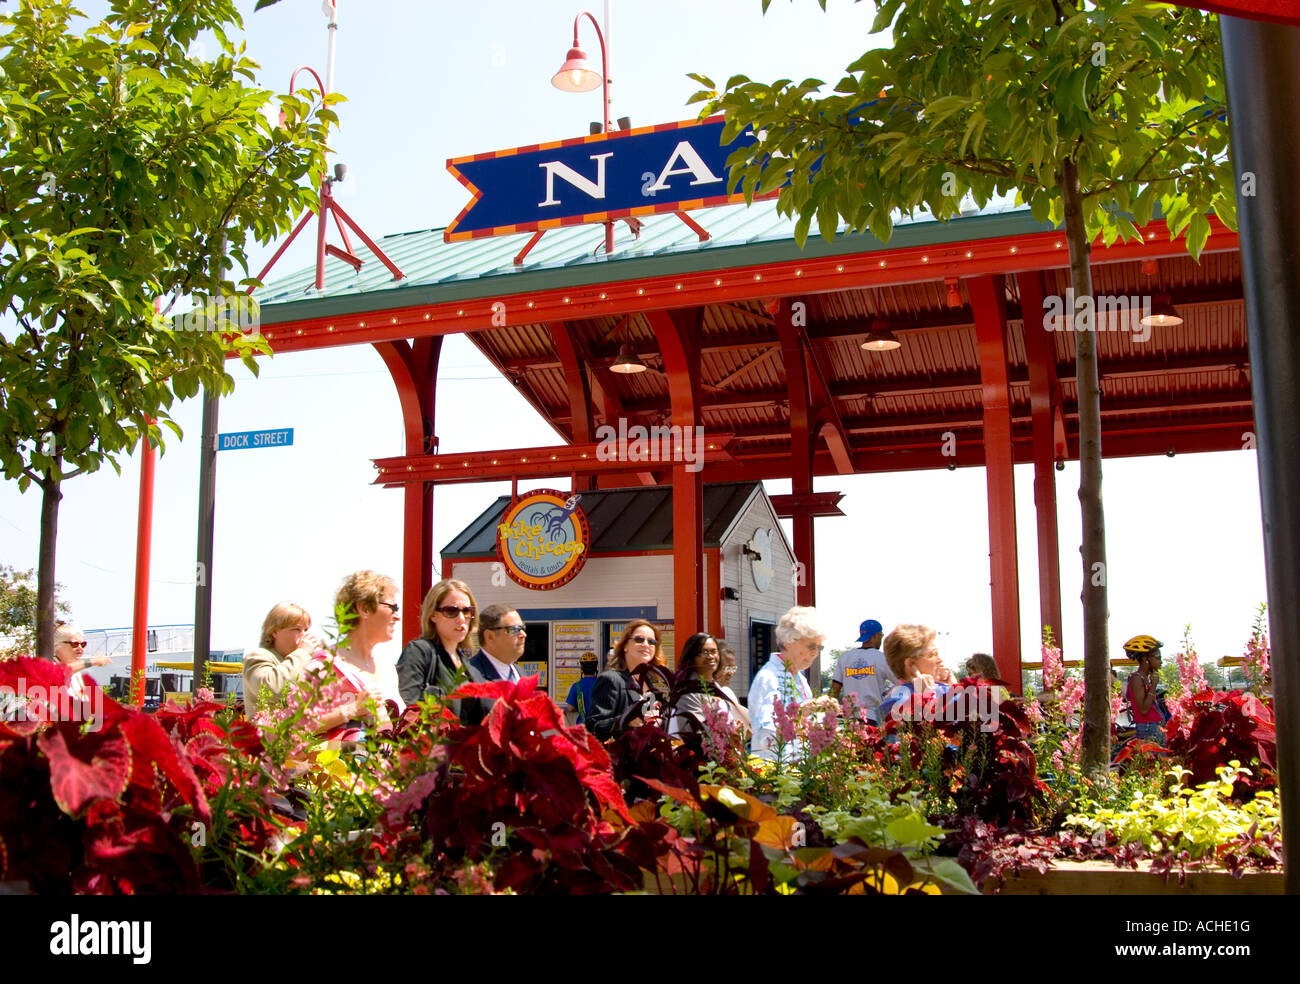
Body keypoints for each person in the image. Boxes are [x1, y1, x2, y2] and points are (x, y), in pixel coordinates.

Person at [747, 606, 828, 761]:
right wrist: (802, 713)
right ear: (789, 642)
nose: (815, 653)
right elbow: (766, 736)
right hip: (775, 771)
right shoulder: (768, 678)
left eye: (819, 647)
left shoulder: (800, 678)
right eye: (811, 646)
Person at [328, 571, 403, 728]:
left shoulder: (387, 667)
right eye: (393, 607)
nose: (397, 616)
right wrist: (353, 709)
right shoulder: (326, 663)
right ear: (364, 609)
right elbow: (298, 727)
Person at [395, 579, 478, 718]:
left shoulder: (466, 663)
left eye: (467, 611)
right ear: (433, 615)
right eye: (451, 611)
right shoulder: (419, 652)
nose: (461, 619)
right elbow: (409, 709)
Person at [587, 620, 669, 741]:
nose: (646, 644)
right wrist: (627, 720)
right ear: (625, 646)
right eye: (639, 639)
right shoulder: (611, 680)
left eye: (652, 642)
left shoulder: (651, 686)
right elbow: (594, 727)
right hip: (621, 757)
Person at [242, 603, 324, 718]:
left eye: (306, 629)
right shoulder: (257, 656)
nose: (304, 635)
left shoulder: (304, 660)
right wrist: (303, 652)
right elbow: (271, 689)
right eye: (296, 629)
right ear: (274, 631)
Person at [462, 604, 528, 726]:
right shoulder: (469, 676)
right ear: (490, 636)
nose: (523, 634)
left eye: (523, 628)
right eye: (514, 629)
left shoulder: (522, 675)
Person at [877, 624, 955, 725]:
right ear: (911, 664)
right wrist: (926, 697)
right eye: (932, 654)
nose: (939, 660)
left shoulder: (944, 689)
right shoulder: (897, 702)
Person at [829, 618, 896, 725]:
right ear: (875, 636)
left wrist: (830, 717)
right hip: (873, 718)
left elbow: (834, 690)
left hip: (850, 720)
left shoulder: (845, 658)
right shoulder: (881, 658)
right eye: (881, 635)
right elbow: (901, 682)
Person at [668, 632, 731, 738]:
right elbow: (694, 735)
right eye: (703, 652)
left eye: (713, 651)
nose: (710, 656)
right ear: (691, 657)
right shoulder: (687, 691)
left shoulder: (715, 687)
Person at [1124, 634, 1167, 746]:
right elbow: (1143, 709)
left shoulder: (1145, 678)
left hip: (1155, 727)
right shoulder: (1137, 679)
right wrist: (1153, 686)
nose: (1160, 662)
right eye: (1158, 658)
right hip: (1148, 729)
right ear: (1146, 659)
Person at [53, 622, 110, 700]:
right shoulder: (49, 664)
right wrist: (93, 661)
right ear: (58, 645)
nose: (80, 648)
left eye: (83, 644)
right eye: (75, 644)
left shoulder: (76, 674)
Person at [713, 640, 751, 732]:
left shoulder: (728, 692)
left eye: (733, 668)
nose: (731, 673)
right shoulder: (705, 694)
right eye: (727, 668)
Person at [563, 652, 600, 726]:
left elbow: (570, 708)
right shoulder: (602, 684)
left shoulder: (577, 686)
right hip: (599, 725)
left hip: (583, 726)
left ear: (582, 669)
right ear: (596, 668)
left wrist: (580, 708)